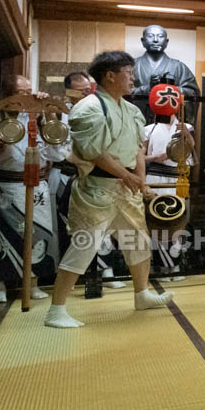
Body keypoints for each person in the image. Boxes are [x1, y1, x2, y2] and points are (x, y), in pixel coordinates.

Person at [44, 51, 175, 328]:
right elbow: (92, 152)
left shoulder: (131, 110)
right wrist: (126, 175)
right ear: (110, 75)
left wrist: (139, 178)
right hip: (97, 186)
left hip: (126, 186)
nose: (133, 78)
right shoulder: (88, 107)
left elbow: (139, 148)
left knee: (138, 242)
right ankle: (56, 310)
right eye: (128, 72)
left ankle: (142, 294)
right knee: (84, 245)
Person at [0, 75, 71, 304]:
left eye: (29, 90)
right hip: (3, 185)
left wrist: (47, 113)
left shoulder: (38, 119)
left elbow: (56, 154)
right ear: (7, 92)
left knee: (38, 233)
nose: (26, 95)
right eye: (20, 91)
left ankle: (33, 281)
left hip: (36, 183)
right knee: (2, 235)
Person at [49, 72, 127, 290]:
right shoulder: (58, 113)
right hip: (65, 174)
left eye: (88, 89)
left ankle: (105, 270)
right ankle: (68, 279)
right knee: (68, 227)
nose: (86, 93)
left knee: (101, 225)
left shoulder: (99, 110)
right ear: (68, 90)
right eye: (80, 90)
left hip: (94, 175)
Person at [143, 111, 196, 281]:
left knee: (177, 219)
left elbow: (191, 148)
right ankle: (160, 267)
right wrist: (155, 157)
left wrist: (186, 134)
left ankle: (175, 266)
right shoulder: (149, 129)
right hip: (155, 176)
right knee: (156, 220)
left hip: (177, 177)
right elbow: (140, 157)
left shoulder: (185, 127)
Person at [131, 25, 199, 123]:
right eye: (150, 36)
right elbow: (122, 94)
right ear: (143, 41)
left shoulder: (178, 66)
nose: (155, 40)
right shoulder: (132, 66)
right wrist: (147, 88)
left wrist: (170, 90)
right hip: (138, 121)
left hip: (169, 123)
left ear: (166, 42)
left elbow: (193, 93)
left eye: (160, 36)